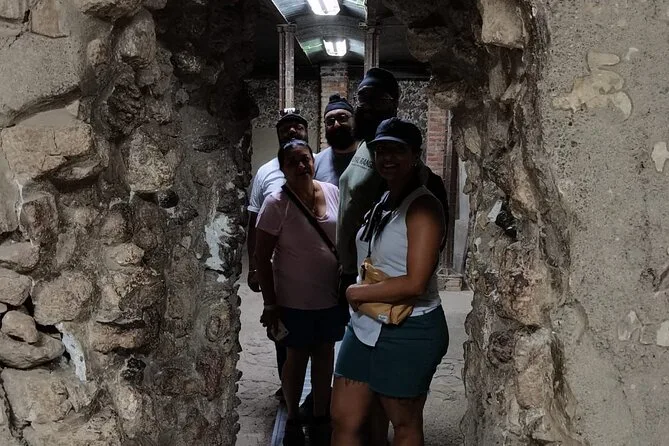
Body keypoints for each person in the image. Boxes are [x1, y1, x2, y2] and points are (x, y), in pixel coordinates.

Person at [335, 67, 449, 444]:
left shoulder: (423, 207)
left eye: (397, 150)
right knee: (345, 419)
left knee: (403, 423)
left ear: (414, 156)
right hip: (367, 322)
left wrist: (355, 292)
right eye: (382, 150)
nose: (387, 158)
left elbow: (416, 283)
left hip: (409, 327)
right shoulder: (384, 199)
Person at [255, 139, 345, 446]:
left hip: (329, 296)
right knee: (295, 358)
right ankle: (293, 417)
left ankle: (320, 416)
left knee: (324, 355)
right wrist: (270, 303)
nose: (301, 165)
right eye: (292, 162)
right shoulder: (276, 203)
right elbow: (261, 257)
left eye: (305, 158)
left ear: (313, 161)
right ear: (283, 168)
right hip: (293, 299)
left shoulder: (331, 192)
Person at [246, 110, 309, 401]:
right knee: (282, 328)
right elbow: (254, 221)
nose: (292, 131)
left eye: (298, 126)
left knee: (318, 332)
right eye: (286, 128)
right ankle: (288, 384)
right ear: (278, 134)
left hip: (314, 266)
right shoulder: (266, 172)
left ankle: (317, 391)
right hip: (279, 267)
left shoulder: (316, 163)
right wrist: (254, 267)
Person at [314, 94, 357, 186]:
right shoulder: (316, 163)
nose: (336, 124)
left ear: (354, 121)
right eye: (330, 121)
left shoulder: (369, 156)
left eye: (342, 118)